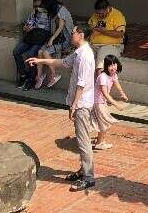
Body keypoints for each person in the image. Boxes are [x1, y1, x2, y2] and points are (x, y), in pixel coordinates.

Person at [26, 25, 96, 191]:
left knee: (84, 139)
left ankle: (88, 176)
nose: (71, 35)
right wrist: (40, 60)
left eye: (73, 32)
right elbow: (63, 63)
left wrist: (74, 105)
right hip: (79, 102)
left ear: (81, 35)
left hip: (82, 104)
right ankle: (83, 170)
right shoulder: (79, 53)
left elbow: (82, 84)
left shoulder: (85, 56)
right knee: (81, 139)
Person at [33, 0, 74, 89]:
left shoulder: (62, 10)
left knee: (45, 52)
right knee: (39, 52)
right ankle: (39, 76)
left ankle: (54, 74)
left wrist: (51, 39)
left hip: (63, 39)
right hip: (55, 38)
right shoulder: (52, 12)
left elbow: (60, 27)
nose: (41, 8)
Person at [12, 0, 51, 89]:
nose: (37, 8)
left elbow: (46, 27)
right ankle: (23, 75)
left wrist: (33, 27)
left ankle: (31, 78)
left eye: (39, 6)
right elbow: (28, 23)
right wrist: (27, 28)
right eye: (35, 6)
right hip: (30, 36)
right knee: (16, 51)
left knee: (31, 54)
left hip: (40, 38)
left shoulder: (48, 14)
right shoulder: (34, 13)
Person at [91, 54, 128, 151]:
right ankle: (99, 143)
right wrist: (117, 105)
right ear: (106, 67)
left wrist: (122, 93)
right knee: (104, 122)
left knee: (103, 121)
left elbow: (117, 84)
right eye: (110, 65)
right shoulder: (102, 77)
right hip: (97, 102)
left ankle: (99, 140)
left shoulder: (113, 74)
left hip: (102, 101)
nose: (113, 67)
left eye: (114, 64)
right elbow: (105, 93)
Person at [88, 0, 126, 69]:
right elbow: (90, 23)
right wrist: (93, 28)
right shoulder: (96, 14)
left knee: (101, 64)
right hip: (93, 44)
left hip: (110, 45)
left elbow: (120, 34)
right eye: (98, 13)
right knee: (82, 57)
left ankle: (101, 79)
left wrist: (104, 31)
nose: (99, 15)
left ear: (108, 8)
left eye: (102, 14)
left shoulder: (117, 15)